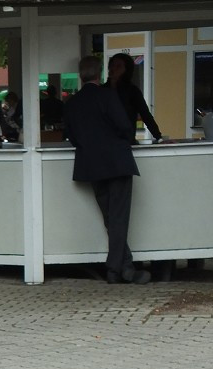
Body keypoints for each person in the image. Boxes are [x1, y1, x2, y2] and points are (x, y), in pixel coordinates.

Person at [64, 55, 150, 285]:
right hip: (117, 161)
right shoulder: (108, 95)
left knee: (111, 218)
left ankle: (123, 268)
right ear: (99, 73)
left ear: (81, 75)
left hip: (92, 166)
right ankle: (117, 268)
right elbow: (124, 126)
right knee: (119, 217)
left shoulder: (72, 103)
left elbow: (71, 136)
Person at [107, 52, 164, 144]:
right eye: (112, 65)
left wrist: (159, 137)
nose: (113, 69)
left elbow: (145, 115)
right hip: (106, 143)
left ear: (126, 70)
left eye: (118, 66)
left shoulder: (132, 91)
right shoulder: (102, 90)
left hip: (125, 143)